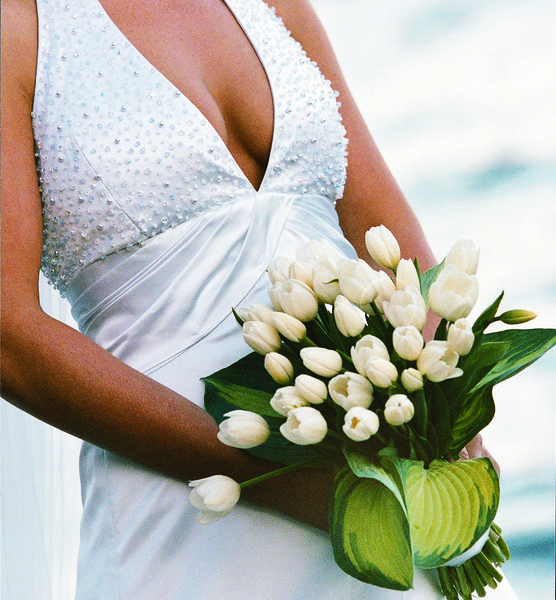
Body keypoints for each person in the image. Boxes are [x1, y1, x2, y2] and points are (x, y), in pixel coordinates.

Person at [1, 0, 516, 598]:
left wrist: (447, 426)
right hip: (187, 518)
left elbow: (389, 239)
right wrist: (280, 482)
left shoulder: (273, 5)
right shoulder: (22, 24)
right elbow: (10, 335)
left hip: (380, 482)